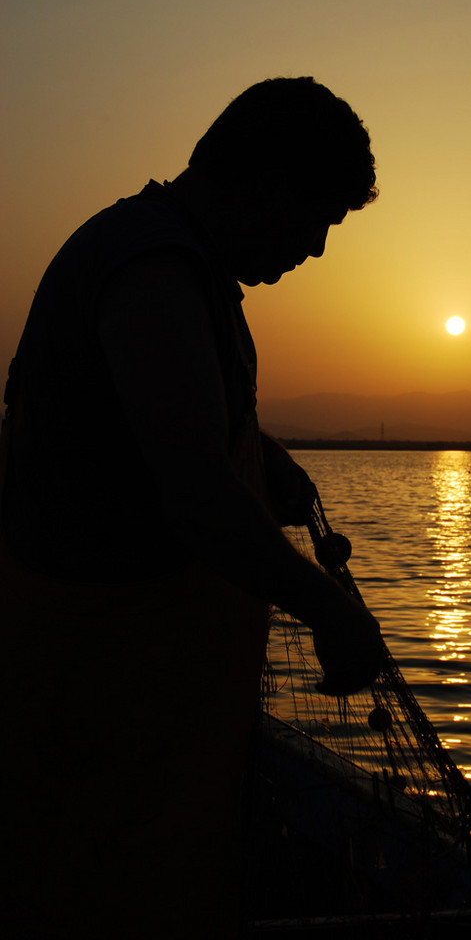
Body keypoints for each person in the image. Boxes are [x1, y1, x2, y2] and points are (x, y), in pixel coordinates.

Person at [0, 77, 383, 938]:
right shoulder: (152, 270)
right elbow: (197, 497)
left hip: (154, 722)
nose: (318, 249)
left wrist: (264, 455)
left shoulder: (178, 266)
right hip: (97, 711)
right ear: (264, 184)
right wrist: (326, 606)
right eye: (318, 216)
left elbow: (164, 427)